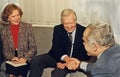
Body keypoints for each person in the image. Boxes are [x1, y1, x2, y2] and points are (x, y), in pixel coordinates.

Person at [29, 9, 92, 77]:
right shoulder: (58, 29)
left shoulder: (84, 31)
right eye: (66, 24)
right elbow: (55, 49)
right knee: (36, 60)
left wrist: (69, 62)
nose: (69, 26)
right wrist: (64, 59)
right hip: (58, 57)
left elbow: (85, 53)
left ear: (75, 21)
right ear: (62, 22)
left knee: (58, 73)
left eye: (71, 23)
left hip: (75, 61)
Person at [1, 3, 37, 77]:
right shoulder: (3, 31)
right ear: (8, 18)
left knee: (20, 74)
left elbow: (33, 48)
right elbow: (5, 50)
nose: (17, 18)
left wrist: (24, 58)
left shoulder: (28, 27)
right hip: (12, 60)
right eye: (13, 16)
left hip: (25, 59)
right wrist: (11, 58)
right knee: (11, 74)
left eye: (18, 15)